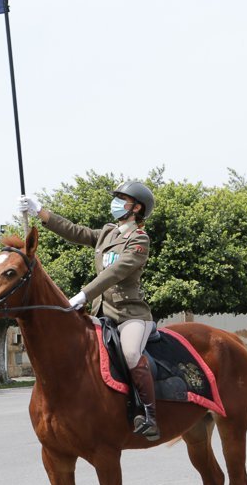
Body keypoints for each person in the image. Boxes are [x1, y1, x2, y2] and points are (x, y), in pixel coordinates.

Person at [19, 180, 160, 440]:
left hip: (130, 315)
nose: (116, 202)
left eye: (122, 199)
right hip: (102, 313)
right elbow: (75, 231)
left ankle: (149, 415)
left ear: (136, 208)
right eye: (116, 197)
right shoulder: (108, 232)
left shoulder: (139, 240)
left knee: (130, 354)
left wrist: (84, 294)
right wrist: (40, 212)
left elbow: (116, 272)